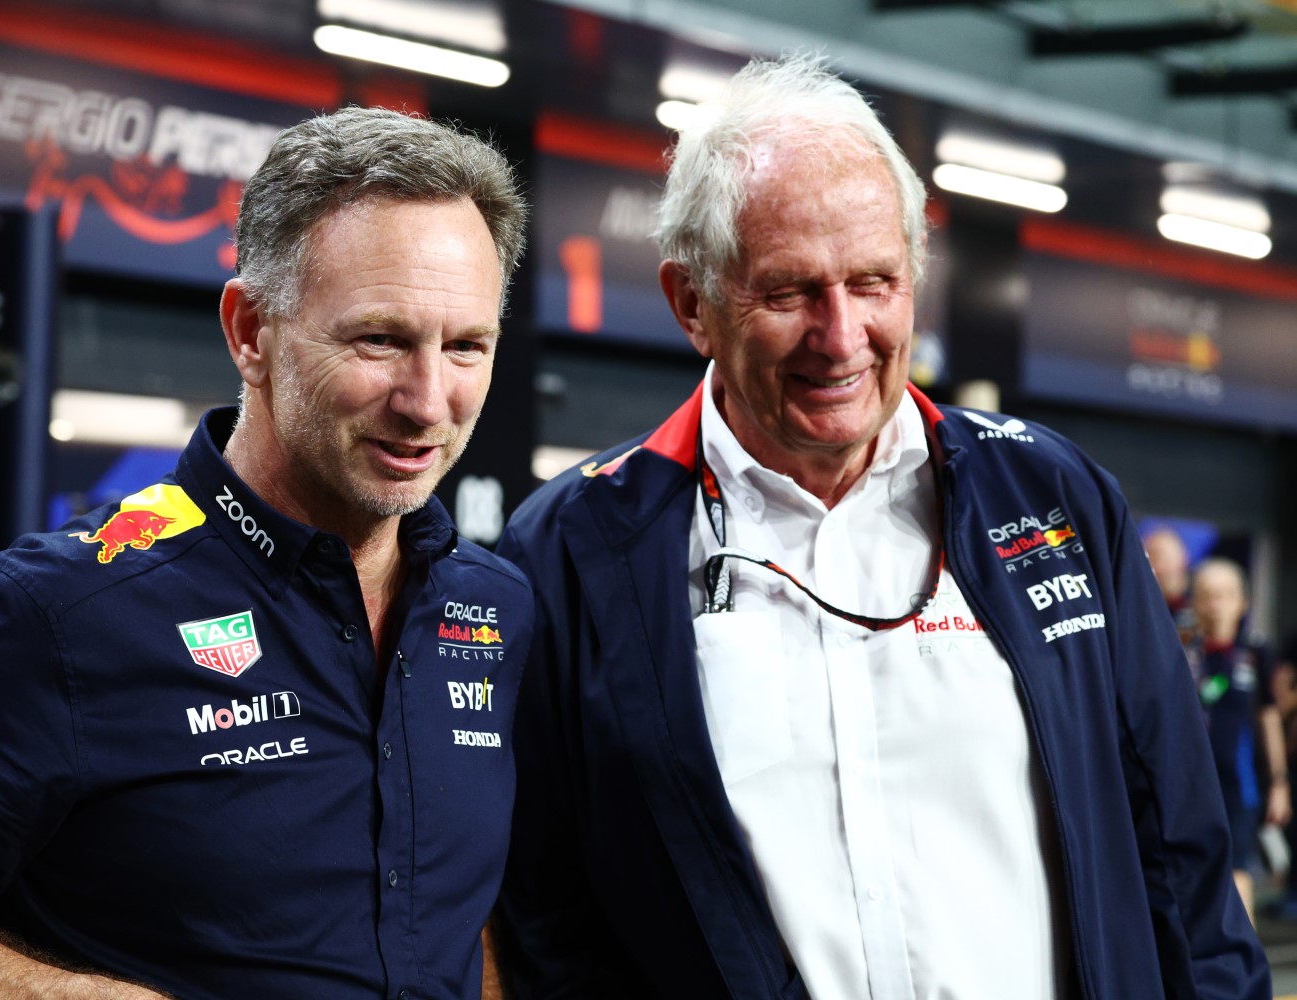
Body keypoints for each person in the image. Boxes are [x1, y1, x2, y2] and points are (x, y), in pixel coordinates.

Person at [491, 53, 1267, 999]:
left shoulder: (1050, 495)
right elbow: (543, 916)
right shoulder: (574, 550)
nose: (841, 334)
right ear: (692, 303)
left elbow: (1180, 859)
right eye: (788, 293)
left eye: (874, 283)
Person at [0, 106, 532, 1000]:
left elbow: (461, 907)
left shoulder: (496, 610)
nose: (428, 399)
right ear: (250, 332)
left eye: (466, 347)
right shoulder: (51, 615)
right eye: (380, 340)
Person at [1185, 557, 1290, 925]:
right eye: (1208, 595)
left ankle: (1246, 961)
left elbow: (1270, 719)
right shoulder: (1184, 653)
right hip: (1193, 783)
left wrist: (1278, 783)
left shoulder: (1255, 652)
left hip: (1240, 785)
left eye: (1226, 595)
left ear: (1242, 602)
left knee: (1237, 867)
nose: (1217, 604)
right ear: (1196, 602)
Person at [1145, 524, 1197, 644]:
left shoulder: (1200, 602)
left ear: (1184, 559)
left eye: (1162, 558)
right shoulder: (1139, 603)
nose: (1155, 567)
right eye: (1148, 559)